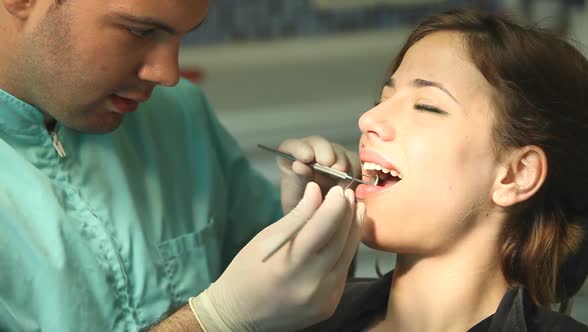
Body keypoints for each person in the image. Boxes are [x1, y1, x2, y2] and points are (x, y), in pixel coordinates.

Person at [0, 0, 365, 331]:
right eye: (139, 31)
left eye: (181, 36)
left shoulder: (178, 113)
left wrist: (322, 234)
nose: (168, 74)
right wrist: (211, 320)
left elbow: (305, 304)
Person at [304, 9, 588, 332]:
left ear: (516, 174)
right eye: (380, 101)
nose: (368, 121)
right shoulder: (304, 314)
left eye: (426, 106)